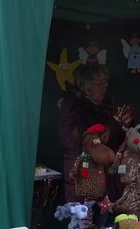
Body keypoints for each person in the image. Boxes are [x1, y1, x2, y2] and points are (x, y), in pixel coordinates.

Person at [57, 64, 135, 202]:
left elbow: (116, 137)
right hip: (83, 176)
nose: (104, 88)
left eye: (105, 83)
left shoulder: (106, 105)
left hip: (107, 179)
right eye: (99, 84)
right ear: (86, 87)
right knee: (83, 219)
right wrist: (114, 123)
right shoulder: (74, 107)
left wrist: (125, 121)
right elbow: (76, 139)